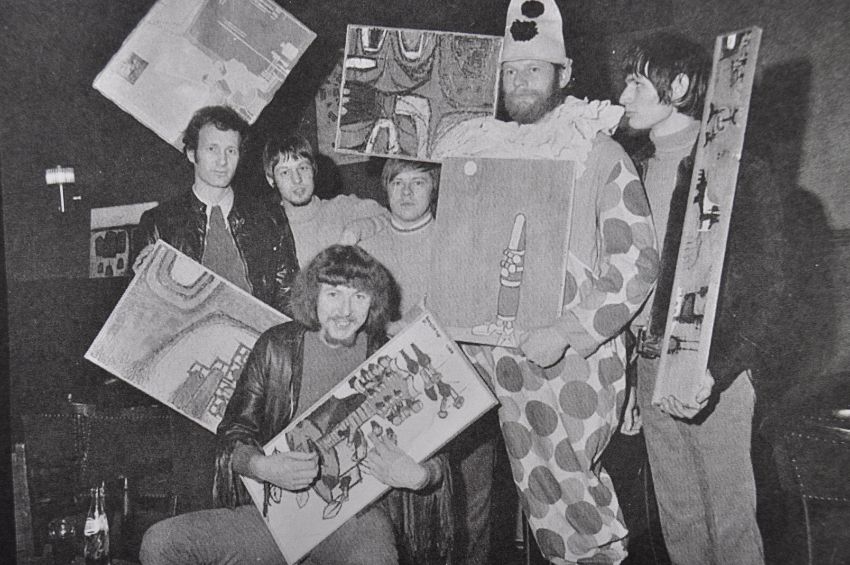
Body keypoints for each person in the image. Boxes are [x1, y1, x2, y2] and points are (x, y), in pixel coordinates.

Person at [431, 1, 658, 562]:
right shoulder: (487, 152)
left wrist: (566, 331)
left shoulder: (597, 152)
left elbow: (636, 264)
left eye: (533, 69)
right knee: (543, 503)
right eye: (511, 71)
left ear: (565, 73)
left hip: (573, 359)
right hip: (505, 361)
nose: (520, 82)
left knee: (577, 501)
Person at [140, 245, 453, 565]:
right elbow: (232, 434)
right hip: (277, 516)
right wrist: (261, 466)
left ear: (374, 302)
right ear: (313, 295)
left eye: (359, 296)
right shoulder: (276, 347)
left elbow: (439, 449)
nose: (345, 310)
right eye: (334, 294)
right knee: (160, 543)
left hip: (356, 520)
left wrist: (421, 476)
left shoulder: (390, 356)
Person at [619, 32, 777, 564]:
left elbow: (768, 284)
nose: (623, 97)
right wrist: (631, 380)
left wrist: (718, 368)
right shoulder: (632, 169)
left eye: (636, 83)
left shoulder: (736, 165)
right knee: (680, 520)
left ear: (681, 85)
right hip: (648, 362)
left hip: (714, 367)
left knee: (728, 524)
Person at [360, 159, 498, 565]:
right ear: (385, 188)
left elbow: (482, 306)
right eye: (397, 182)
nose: (406, 192)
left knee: (471, 508)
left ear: (434, 188)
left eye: (418, 182)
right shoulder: (367, 247)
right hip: (393, 397)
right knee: (401, 515)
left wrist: (422, 324)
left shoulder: (460, 240)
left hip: (460, 387)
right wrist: (388, 328)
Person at [134, 105, 299, 314]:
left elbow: (289, 298)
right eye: (212, 149)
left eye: (231, 151)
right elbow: (144, 310)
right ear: (192, 154)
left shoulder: (269, 217)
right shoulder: (158, 223)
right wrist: (143, 283)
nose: (222, 161)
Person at [263, 133, 389, 268]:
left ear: (313, 169)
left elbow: (390, 218)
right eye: (285, 172)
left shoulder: (341, 208)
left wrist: (357, 230)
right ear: (271, 179)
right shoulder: (269, 231)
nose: (297, 179)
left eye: (303, 168)